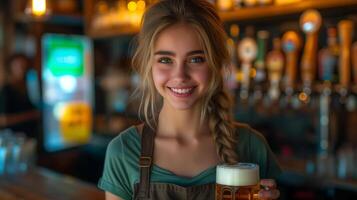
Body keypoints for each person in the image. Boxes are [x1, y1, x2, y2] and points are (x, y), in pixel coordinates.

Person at [98, 0, 282, 199]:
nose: (180, 75)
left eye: (196, 59)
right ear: (147, 66)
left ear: (216, 64)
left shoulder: (251, 147)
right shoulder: (123, 152)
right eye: (165, 60)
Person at [0, 53, 39, 138]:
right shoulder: (6, 90)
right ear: (10, 67)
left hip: (32, 135)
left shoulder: (30, 87)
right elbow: (3, 120)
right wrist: (31, 115)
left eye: (24, 66)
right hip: (15, 139)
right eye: (18, 65)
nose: (21, 69)